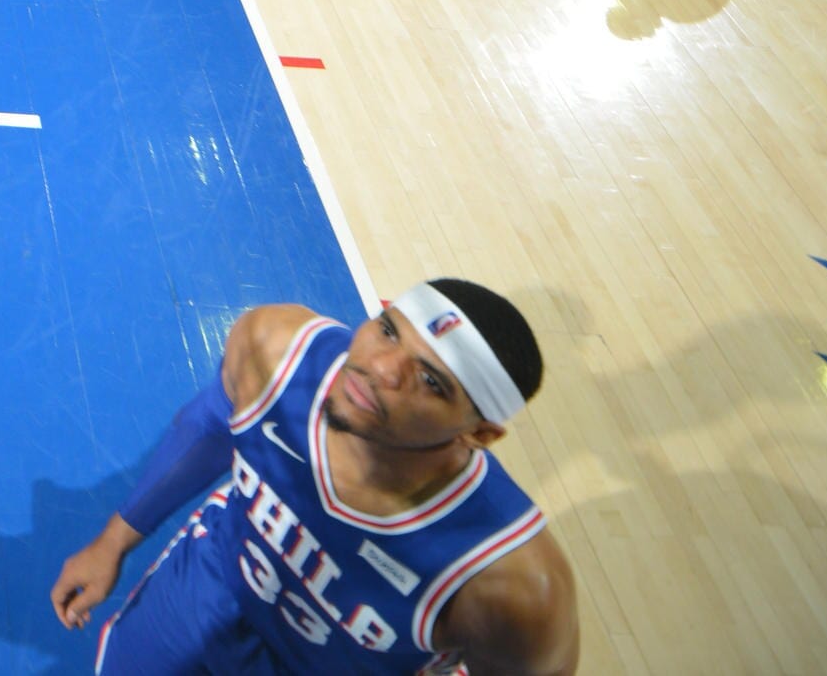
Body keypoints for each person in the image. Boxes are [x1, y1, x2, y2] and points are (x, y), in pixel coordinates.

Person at [52, 284, 578, 676]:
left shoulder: (509, 583)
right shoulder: (277, 351)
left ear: (481, 433)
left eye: (430, 381)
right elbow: (213, 425)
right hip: (201, 592)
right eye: (388, 330)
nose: (381, 369)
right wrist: (114, 541)